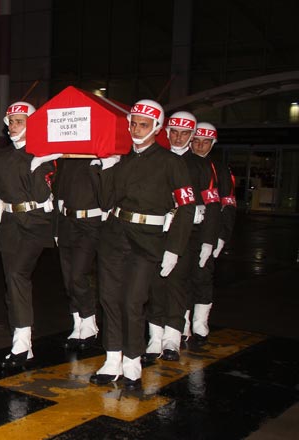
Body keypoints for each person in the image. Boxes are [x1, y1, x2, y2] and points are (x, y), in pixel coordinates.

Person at [89, 99, 195, 390]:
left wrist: (174, 248)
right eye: (134, 123)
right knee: (109, 298)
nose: (137, 129)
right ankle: (112, 360)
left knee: (132, 301)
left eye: (144, 124)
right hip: (114, 236)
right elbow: (106, 202)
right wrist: (106, 170)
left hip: (147, 240)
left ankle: (132, 363)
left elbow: (187, 207)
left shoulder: (171, 163)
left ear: (157, 127)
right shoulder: (123, 161)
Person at [0, 102, 56, 368]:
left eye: (19, 121)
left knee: (18, 275)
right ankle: (21, 335)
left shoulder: (45, 154)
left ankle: (22, 342)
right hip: (9, 225)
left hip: (37, 223)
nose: (12, 126)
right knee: (11, 282)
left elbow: (43, 196)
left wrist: (40, 165)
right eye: (11, 122)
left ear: (32, 123)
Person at [143, 112, 221, 364]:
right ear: (166, 132)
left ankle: (172, 340)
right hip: (156, 233)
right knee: (155, 285)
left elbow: (212, 206)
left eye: (185, 133)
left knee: (177, 285)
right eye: (174, 132)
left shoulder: (201, 165)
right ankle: (155, 337)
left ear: (192, 135)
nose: (178, 137)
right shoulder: (156, 159)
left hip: (188, 235)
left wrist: (209, 241)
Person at [52, 152, 113, 350]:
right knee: (68, 276)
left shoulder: (99, 159)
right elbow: (58, 194)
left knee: (78, 274)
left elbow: (107, 199)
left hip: (90, 223)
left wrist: (101, 168)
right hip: (67, 222)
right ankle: (77, 322)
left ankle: (89, 320)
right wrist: (56, 228)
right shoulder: (66, 159)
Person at [186, 122, 236, 346]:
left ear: (213, 143)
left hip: (209, 231)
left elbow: (229, 204)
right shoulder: (182, 163)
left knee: (203, 277)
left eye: (205, 142)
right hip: (184, 231)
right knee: (179, 279)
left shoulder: (220, 169)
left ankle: (200, 322)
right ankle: (181, 322)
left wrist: (222, 236)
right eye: (196, 141)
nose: (200, 145)